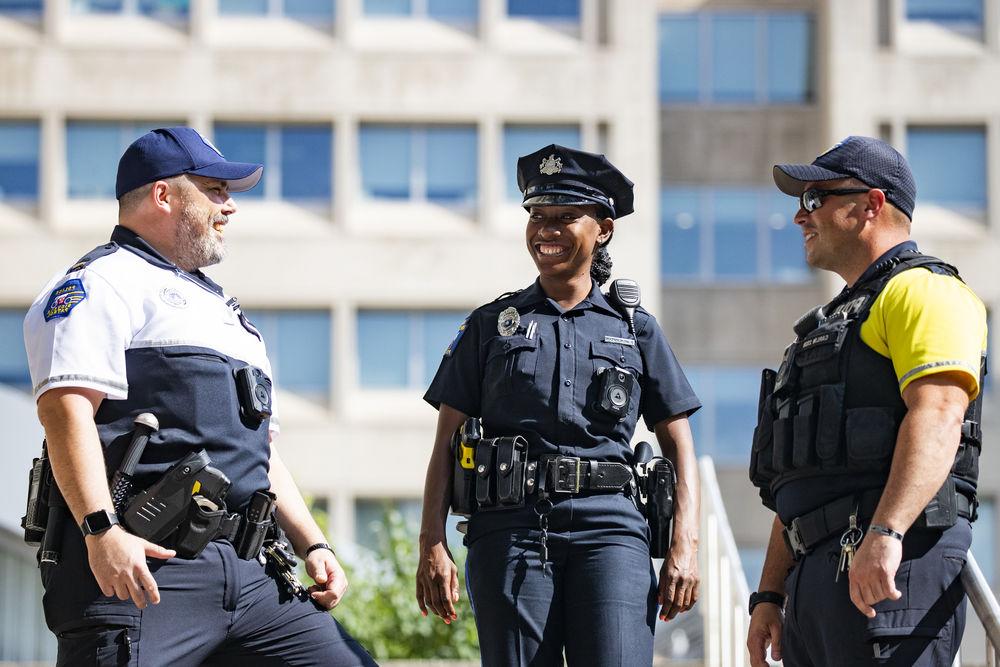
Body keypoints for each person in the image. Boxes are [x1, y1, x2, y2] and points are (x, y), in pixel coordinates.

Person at [23, 127, 376, 666]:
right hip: (147, 570)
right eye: (214, 190)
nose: (229, 206)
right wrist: (101, 532)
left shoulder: (225, 313)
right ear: (163, 196)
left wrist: (313, 544)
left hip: (252, 573)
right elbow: (64, 411)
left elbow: (262, 452)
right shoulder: (101, 283)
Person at [415, 144, 702, 665]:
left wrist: (686, 542)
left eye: (565, 217)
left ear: (603, 229)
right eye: (536, 216)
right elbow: (445, 442)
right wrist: (431, 542)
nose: (545, 229)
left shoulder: (635, 329)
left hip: (611, 530)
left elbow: (678, 442)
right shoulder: (490, 325)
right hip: (510, 531)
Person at [746, 136, 987, 666]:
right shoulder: (834, 322)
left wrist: (886, 531)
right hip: (819, 580)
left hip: (889, 565)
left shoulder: (924, 291)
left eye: (815, 199)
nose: (799, 216)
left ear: (871, 205)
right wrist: (769, 594)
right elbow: (803, 476)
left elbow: (940, 413)